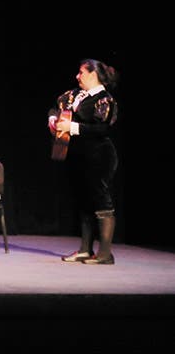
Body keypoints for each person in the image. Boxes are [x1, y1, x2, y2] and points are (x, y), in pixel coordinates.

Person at [49, 59, 119, 265]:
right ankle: (85, 250)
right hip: (79, 155)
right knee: (84, 201)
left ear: (93, 74)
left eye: (81, 72)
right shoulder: (74, 95)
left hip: (99, 156)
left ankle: (105, 254)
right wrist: (53, 120)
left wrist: (72, 127)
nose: (77, 76)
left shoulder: (104, 99)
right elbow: (55, 108)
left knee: (101, 200)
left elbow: (103, 129)